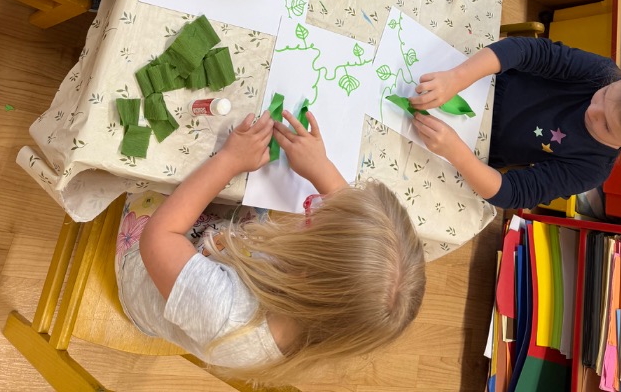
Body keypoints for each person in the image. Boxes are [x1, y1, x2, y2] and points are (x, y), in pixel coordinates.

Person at [116, 109, 426, 382]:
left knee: (160, 167)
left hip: (151, 265)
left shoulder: (226, 314)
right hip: (224, 251)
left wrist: (229, 161)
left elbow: (160, 237)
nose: (323, 206)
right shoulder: (322, 310)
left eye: (319, 222)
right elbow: (346, 236)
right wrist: (321, 167)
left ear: (303, 272)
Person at [409, 34, 621, 210]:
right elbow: (524, 50)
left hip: (470, 144)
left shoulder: (591, 169)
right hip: (478, 79)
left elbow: (512, 193)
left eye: (607, 126)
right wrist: (457, 78)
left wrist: (457, 153)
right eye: (605, 94)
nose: (593, 110)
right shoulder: (601, 72)